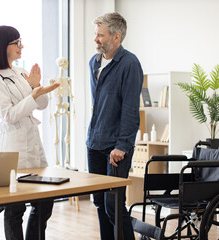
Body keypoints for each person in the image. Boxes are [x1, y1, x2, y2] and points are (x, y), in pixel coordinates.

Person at [0, 25, 59, 240]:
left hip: (33, 144)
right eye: (17, 43)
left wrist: (36, 88)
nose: (22, 46)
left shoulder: (20, 72)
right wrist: (33, 95)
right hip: (13, 146)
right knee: (15, 209)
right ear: (2, 46)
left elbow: (42, 104)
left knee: (45, 201)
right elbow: (8, 115)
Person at [86, 12, 143, 240]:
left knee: (114, 205)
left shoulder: (129, 63)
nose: (96, 39)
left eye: (101, 35)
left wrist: (122, 145)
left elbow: (130, 109)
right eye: (96, 34)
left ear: (116, 37)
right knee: (100, 202)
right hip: (94, 143)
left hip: (115, 147)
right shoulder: (94, 62)